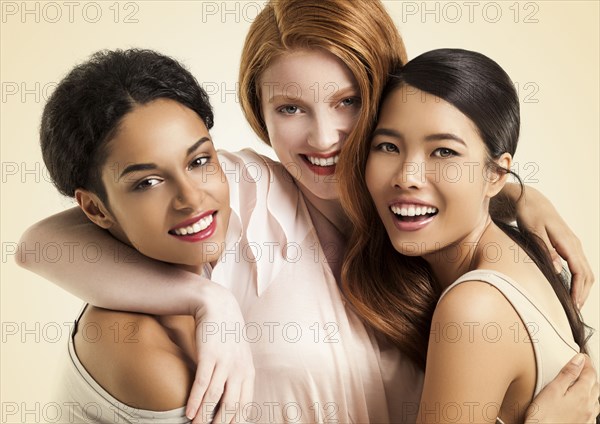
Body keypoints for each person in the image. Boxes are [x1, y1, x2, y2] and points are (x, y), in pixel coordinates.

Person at [17, 0, 597, 422]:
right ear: (258, 112)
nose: (324, 138)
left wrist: (511, 192)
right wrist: (203, 299)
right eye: (291, 107)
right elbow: (42, 243)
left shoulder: (419, 224)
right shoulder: (236, 186)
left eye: (348, 102)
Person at [340, 48, 600, 423]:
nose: (406, 175)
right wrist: (519, 194)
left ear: (496, 173)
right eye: (388, 146)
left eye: (443, 151)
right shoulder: (515, 251)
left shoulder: (473, 310)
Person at [39, 48, 253, 423]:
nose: (190, 198)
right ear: (94, 209)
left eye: (199, 161)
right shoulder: (140, 350)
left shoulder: (175, 284)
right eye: (148, 182)